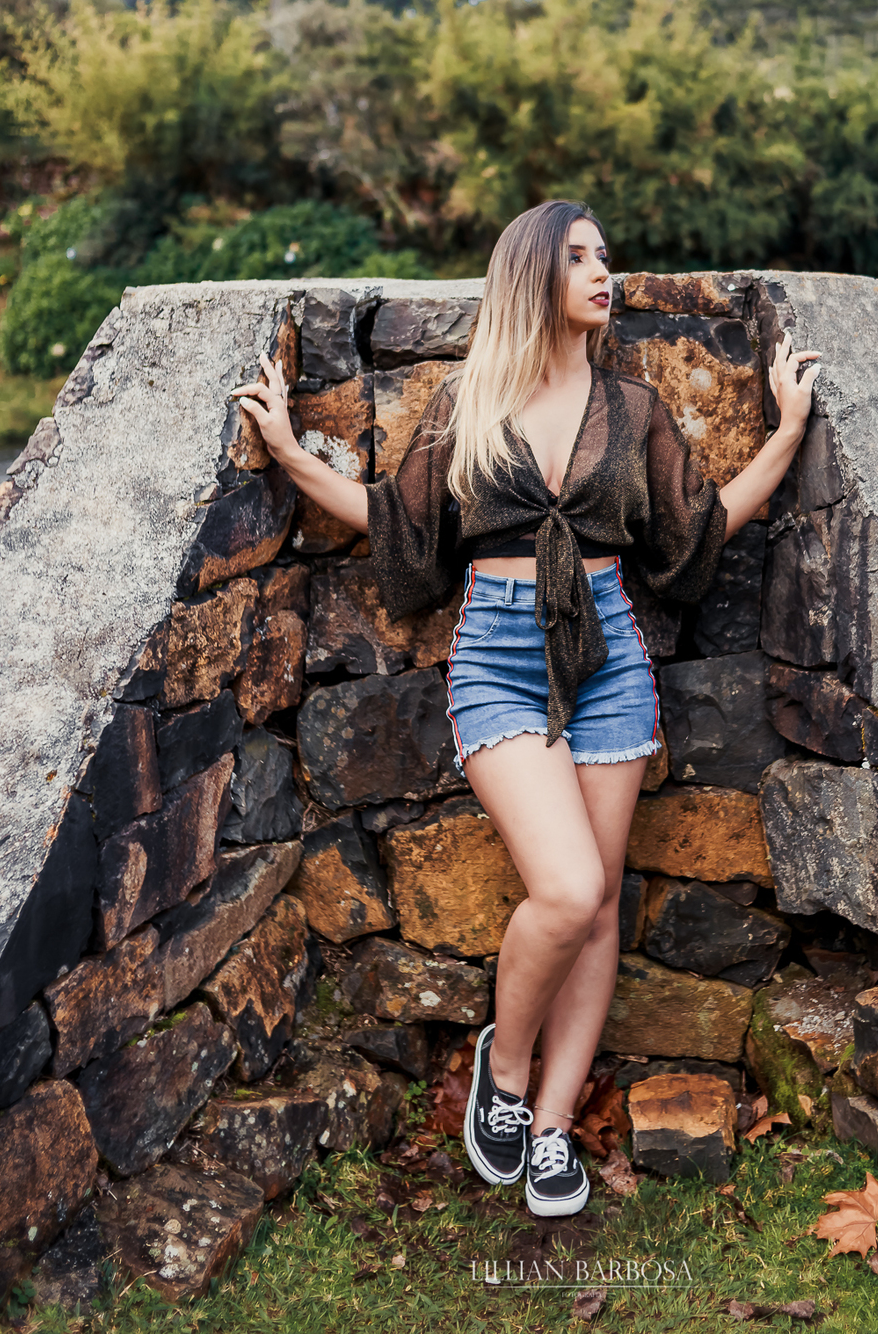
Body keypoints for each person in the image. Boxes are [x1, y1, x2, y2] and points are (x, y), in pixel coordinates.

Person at [232, 199, 820, 1218]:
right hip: (497, 655)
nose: (607, 272)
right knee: (567, 887)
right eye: (582, 257)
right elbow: (401, 528)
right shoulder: (469, 403)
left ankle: (550, 1129)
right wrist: (290, 455)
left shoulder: (631, 409)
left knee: (596, 914)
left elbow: (701, 526)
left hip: (610, 655)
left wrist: (793, 427)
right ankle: (502, 1073)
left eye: (607, 255)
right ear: (533, 274)